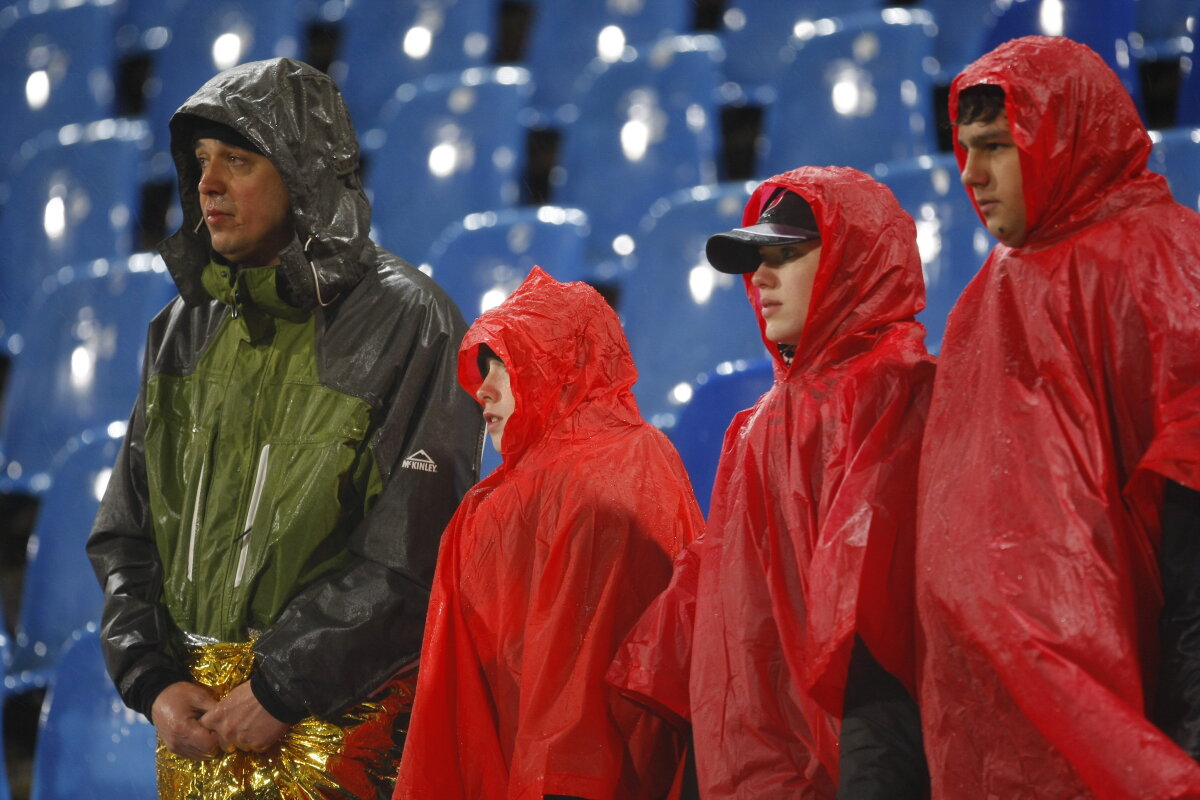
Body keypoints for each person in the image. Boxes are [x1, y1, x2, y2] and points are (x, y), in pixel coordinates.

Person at [86, 58, 481, 797]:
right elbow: (125, 533)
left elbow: (415, 549)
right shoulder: (182, 325)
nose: (207, 184)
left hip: (336, 732)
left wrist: (282, 687)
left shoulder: (410, 322)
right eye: (202, 161)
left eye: (237, 160)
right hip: (196, 739)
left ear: (303, 174)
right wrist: (152, 680)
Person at [915, 35, 1200, 798]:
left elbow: (1191, 518)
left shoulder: (1160, 258)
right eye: (964, 149)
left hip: (1142, 706)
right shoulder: (987, 294)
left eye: (997, 146)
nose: (970, 175)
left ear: (1066, 136)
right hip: (1006, 727)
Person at [610, 166, 936, 798]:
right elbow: (723, 620)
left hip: (873, 739)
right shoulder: (757, 425)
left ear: (854, 261)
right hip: (759, 753)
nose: (759, 278)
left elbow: (882, 636)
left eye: (785, 255)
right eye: (757, 260)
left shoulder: (904, 393)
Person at [393, 266, 706, 799]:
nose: (482, 390)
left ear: (561, 368)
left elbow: (578, 717)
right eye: (482, 368)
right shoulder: (500, 499)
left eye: (505, 367)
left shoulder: (610, 475)